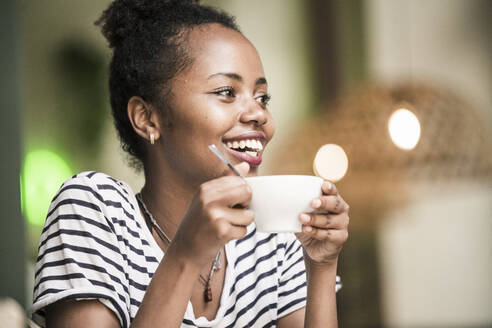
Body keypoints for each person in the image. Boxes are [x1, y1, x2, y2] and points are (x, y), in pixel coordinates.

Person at [31, 1, 350, 327]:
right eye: (227, 91)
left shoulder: (272, 238)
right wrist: (185, 254)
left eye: (262, 97)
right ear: (147, 118)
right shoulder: (93, 209)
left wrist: (322, 266)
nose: (259, 114)